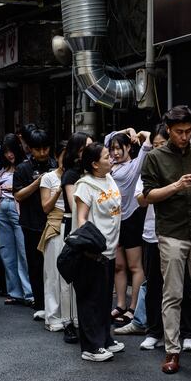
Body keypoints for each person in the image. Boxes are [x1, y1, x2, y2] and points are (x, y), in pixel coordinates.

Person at [142, 105, 191, 374]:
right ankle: (172, 351)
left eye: (187, 132)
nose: (184, 137)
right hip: (172, 231)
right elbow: (147, 196)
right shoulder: (155, 157)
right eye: (178, 132)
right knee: (172, 293)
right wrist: (176, 185)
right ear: (168, 131)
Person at [115, 125, 191, 353]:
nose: (159, 149)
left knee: (186, 284)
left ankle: (189, 331)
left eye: (163, 145)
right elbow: (142, 199)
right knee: (154, 284)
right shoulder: (151, 165)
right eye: (156, 145)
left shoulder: (186, 162)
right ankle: (154, 331)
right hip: (153, 233)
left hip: (183, 232)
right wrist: (171, 187)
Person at [73, 142, 125, 362]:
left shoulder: (109, 178)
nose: (111, 157)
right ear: (94, 164)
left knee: (105, 297)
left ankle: (105, 339)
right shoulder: (85, 185)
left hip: (110, 249)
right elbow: (82, 218)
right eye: (106, 156)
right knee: (90, 299)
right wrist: (90, 243)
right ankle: (90, 347)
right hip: (93, 252)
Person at [105, 129, 150, 325]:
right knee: (119, 266)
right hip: (113, 220)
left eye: (119, 148)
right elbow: (107, 138)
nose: (114, 153)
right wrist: (125, 130)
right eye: (112, 149)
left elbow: (149, 140)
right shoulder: (111, 165)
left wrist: (136, 133)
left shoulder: (134, 165)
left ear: (129, 147)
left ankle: (134, 308)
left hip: (131, 219)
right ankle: (121, 304)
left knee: (134, 266)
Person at [13, 129, 57, 319]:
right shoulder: (23, 169)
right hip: (31, 223)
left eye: (45, 148)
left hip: (52, 221)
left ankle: (53, 302)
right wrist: (39, 182)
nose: (42, 153)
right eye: (37, 149)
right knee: (35, 264)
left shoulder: (55, 165)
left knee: (53, 264)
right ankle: (39, 302)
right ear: (30, 149)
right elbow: (18, 195)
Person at [39, 141, 77, 332]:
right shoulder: (48, 178)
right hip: (55, 226)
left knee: (72, 275)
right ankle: (53, 317)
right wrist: (60, 191)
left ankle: (72, 317)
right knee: (53, 274)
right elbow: (45, 207)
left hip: (74, 225)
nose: (66, 159)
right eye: (63, 155)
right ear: (57, 156)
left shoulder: (78, 176)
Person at [60, 131, 93, 344]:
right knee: (69, 277)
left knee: (87, 278)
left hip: (90, 227)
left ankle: (84, 321)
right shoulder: (71, 175)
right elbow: (75, 204)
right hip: (73, 226)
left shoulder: (91, 172)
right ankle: (68, 322)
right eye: (85, 148)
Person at [0, 134, 33, 307]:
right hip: (3, 207)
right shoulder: (2, 168)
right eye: (6, 152)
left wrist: (14, 188)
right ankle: (14, 291)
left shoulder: (25, 167)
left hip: (17, 208)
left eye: (11, 151)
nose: (9, 155)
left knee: (23, 251)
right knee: (6, 251)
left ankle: (29, 292)